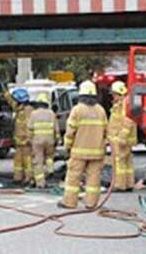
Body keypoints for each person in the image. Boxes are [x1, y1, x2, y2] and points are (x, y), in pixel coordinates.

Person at [59, 80, 108, 209]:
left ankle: (69, 202)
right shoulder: (101, 111)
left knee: (73, 178)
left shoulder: (77, 110)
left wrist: (67, 147)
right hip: (97, 152)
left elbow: (70, 131)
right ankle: (91, 203)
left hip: (79, 152)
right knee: (94, 179)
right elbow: (106, 132)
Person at [107, 81, 137, 192]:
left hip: (120, 139)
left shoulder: (123, 104)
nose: (112, 96)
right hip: (123, 139)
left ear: (118, 93)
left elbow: (128, 121)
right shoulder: (122, 103)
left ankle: (119, 185)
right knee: (127, 162)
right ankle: (128, 183)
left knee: (119, 162)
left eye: (113, 94)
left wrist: (121, 137)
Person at [28, 93, 59, 188]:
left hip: (37, 141)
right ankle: (50, 170)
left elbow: (30, 129)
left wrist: (30, 141)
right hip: (50, 140)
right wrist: (57, 140)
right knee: (49, 157)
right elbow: (56, 129)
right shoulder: (51, 114)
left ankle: (40, 183)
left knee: (38, 161)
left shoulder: (33, 114)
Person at [5, 88, 33, 185]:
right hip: (19, 142)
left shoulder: (28, 110)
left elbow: (30, 126)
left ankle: (28, 178)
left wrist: (29, 139)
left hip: (26, 142)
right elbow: (11, 102)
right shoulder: (19, 108)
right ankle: (18, 178)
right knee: (18, 161)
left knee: (27, 161)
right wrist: (5, 92)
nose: (14, 102)